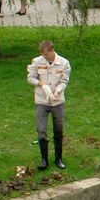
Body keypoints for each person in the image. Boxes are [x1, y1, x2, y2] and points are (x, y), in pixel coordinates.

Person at [26, 40, 71, 170]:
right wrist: (42, 84)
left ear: (52, 50)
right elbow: (30, 78)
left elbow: (64, 81)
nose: (44, 57)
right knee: (41, 130)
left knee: (58, 129)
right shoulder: (37, 62)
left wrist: (57, 91)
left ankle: (59, 158)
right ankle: (44, 159)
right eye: (43, 55)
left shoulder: (64, 63)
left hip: (57, 101)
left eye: (46, 54)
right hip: (41, 101)